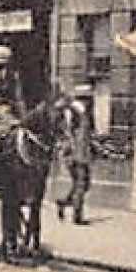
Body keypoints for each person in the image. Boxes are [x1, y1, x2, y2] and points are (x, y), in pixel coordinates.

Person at [54, 86, 94, 225]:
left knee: (83, 184)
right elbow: (74, 133)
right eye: (88, 97)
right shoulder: (77, 111)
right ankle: (77, 216)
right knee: (81, 184)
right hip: (77, 153)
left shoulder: (77, 111)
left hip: (78, 152)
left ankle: (64, 203)